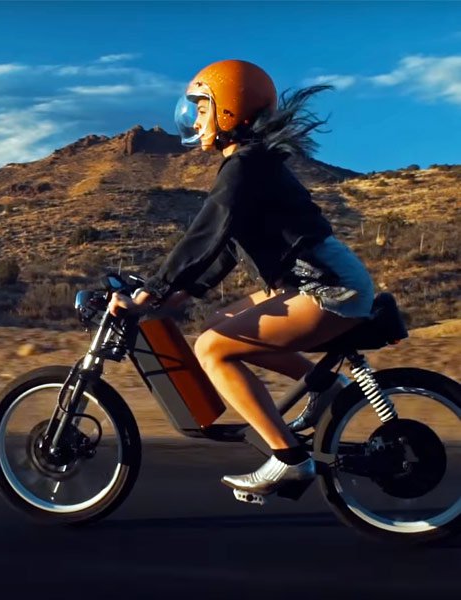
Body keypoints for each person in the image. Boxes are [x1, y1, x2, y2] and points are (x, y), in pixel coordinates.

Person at [109, 59, 375, 496]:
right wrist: (176, 294)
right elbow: (227, 247)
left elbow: (206, 232)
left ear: (230, 110)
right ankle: (327, 388)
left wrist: (154, 290)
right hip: (321, 283)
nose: (196, 120)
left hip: (330, 289)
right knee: (219, 325)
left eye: (203, 109)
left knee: (211, 349)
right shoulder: (252, 164)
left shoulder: (245, 166)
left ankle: (289, 459)